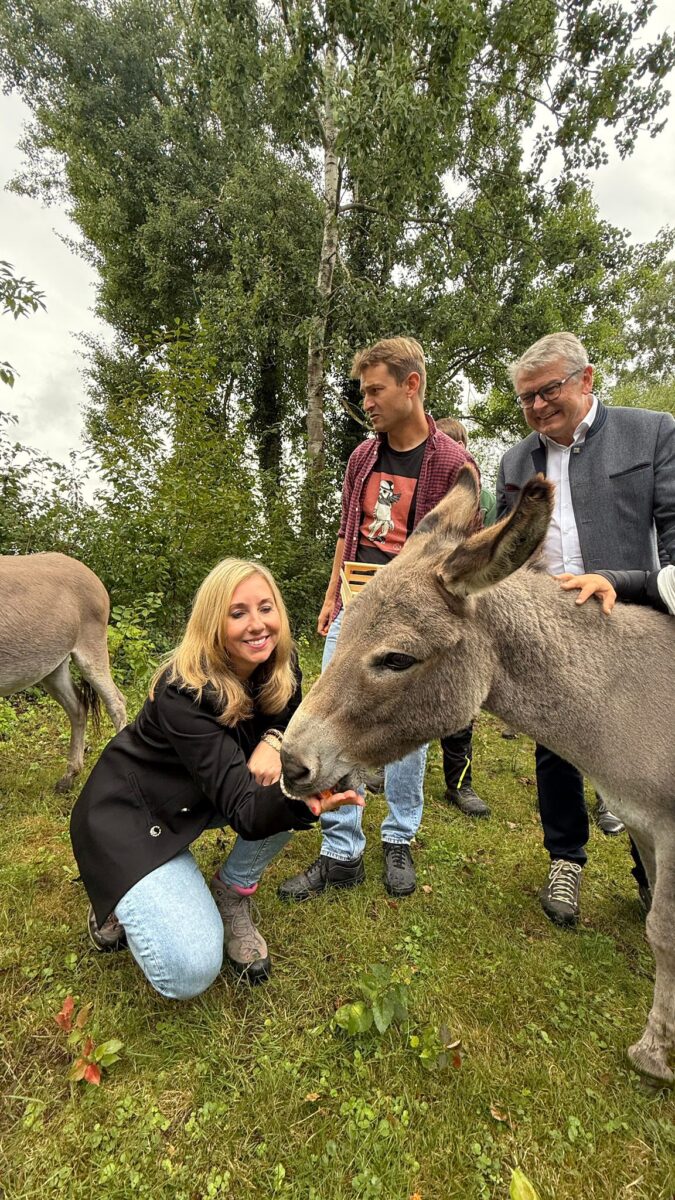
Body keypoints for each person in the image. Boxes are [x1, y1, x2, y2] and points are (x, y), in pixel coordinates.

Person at [71, 558, 361, 998]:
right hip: (133, 818)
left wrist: (274, 737)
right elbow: (247, 811)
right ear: (211, 623)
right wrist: (302, 800)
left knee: (292, 775)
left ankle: (231, 892)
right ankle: (120, 897)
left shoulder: (282, 663)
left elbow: (289, 713)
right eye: (237, 612)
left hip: (204, 798)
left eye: (266, 608)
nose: (258, 625)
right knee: (190, 970)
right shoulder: (182, 691)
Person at [278, 337, 478, 902]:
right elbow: (349, 530)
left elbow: (452, 557)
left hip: (404, 625)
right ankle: (341, 851)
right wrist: (330, 593)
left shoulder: (452, 463)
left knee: (402, 728)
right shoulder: (363, 457)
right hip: (353, 604)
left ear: (411, 385)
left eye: (375, 389)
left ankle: (398, 838)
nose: (366, 401)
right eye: (363, 391)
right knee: (333, 714)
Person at [497, 332, 675, 928]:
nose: (538, 407)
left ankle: (649, 870)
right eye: (526, 399)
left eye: (549, 391)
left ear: (586, 379)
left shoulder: (651, 433)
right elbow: (507, 549)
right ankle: (565, 858)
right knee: (555, 744)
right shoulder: (516, 462)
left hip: (629, 623)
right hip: (551, 628)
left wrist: (621, 583)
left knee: (643, 754)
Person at [434, 416, 494, 817]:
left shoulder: (484, 498)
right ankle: (385, 768)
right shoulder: (422, 483)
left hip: (462, 604)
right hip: (423, 602)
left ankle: (460, 783)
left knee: (458, 701)